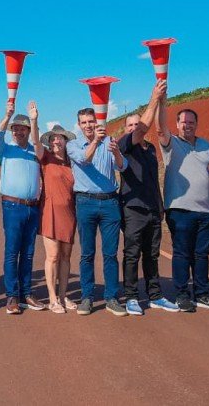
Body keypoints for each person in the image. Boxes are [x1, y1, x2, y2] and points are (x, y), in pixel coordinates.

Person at [157, 94, 209, 312]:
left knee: (201, 254)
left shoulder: (205, 145)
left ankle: (202, 294)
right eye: (183, 122)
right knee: (182, 253)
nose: (187, 125)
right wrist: (161, 103)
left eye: (191, 122)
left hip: (205, 210)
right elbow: (160, 128)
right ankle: (181, 294)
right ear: (177, 124)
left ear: (196, 124)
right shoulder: (171, 143)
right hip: (180, 209)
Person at [118, 80, 180, 315]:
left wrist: (160, 206)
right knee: (132, 254)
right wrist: (154, 98)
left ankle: (155, 295)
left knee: (152, 254)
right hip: (133, 209)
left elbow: (153, 180)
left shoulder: (151, 149)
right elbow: (142, 129)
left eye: (137, 123)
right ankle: (131, 297)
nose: (135, 127)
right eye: (130, 125)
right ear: (126, 129)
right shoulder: (125, 145)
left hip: (153, 209)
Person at [68, 108, 128, 316]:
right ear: (79, 125)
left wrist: (116, 152)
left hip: (110, 202)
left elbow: (122, 167)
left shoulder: (110, 142)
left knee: (110, 253)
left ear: (96, 121)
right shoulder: (73, 145)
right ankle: (87, 297)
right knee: (87, 253)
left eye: (91, 121)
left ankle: (111, 297)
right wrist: (96, 141)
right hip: (85, 202)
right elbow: (84, 159)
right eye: (84, 122)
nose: (88, 125)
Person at [0, 100, 44, 314]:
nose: (18, 132)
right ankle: (12, 296)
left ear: (28, 130)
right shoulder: (6, 148)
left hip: (32, 207)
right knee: (12, 252)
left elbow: (40, 147)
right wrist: (7, 116)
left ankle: (26, 293)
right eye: (15, 128)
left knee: (29, 253)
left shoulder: (36, 150)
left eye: (23, 128)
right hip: (12, 206)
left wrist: (34, 120)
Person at [37, 124, 77, 314]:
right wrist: (34, 120)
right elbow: (35, 142)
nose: (56, 141)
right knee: (52, 256)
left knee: (66, 256)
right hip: (50, 212)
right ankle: (52, 298)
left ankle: (63, 296)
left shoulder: (72, 162)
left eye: (60, 137)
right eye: (53, 138)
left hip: (69, 212)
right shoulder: (45, 157)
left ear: (66, 141)